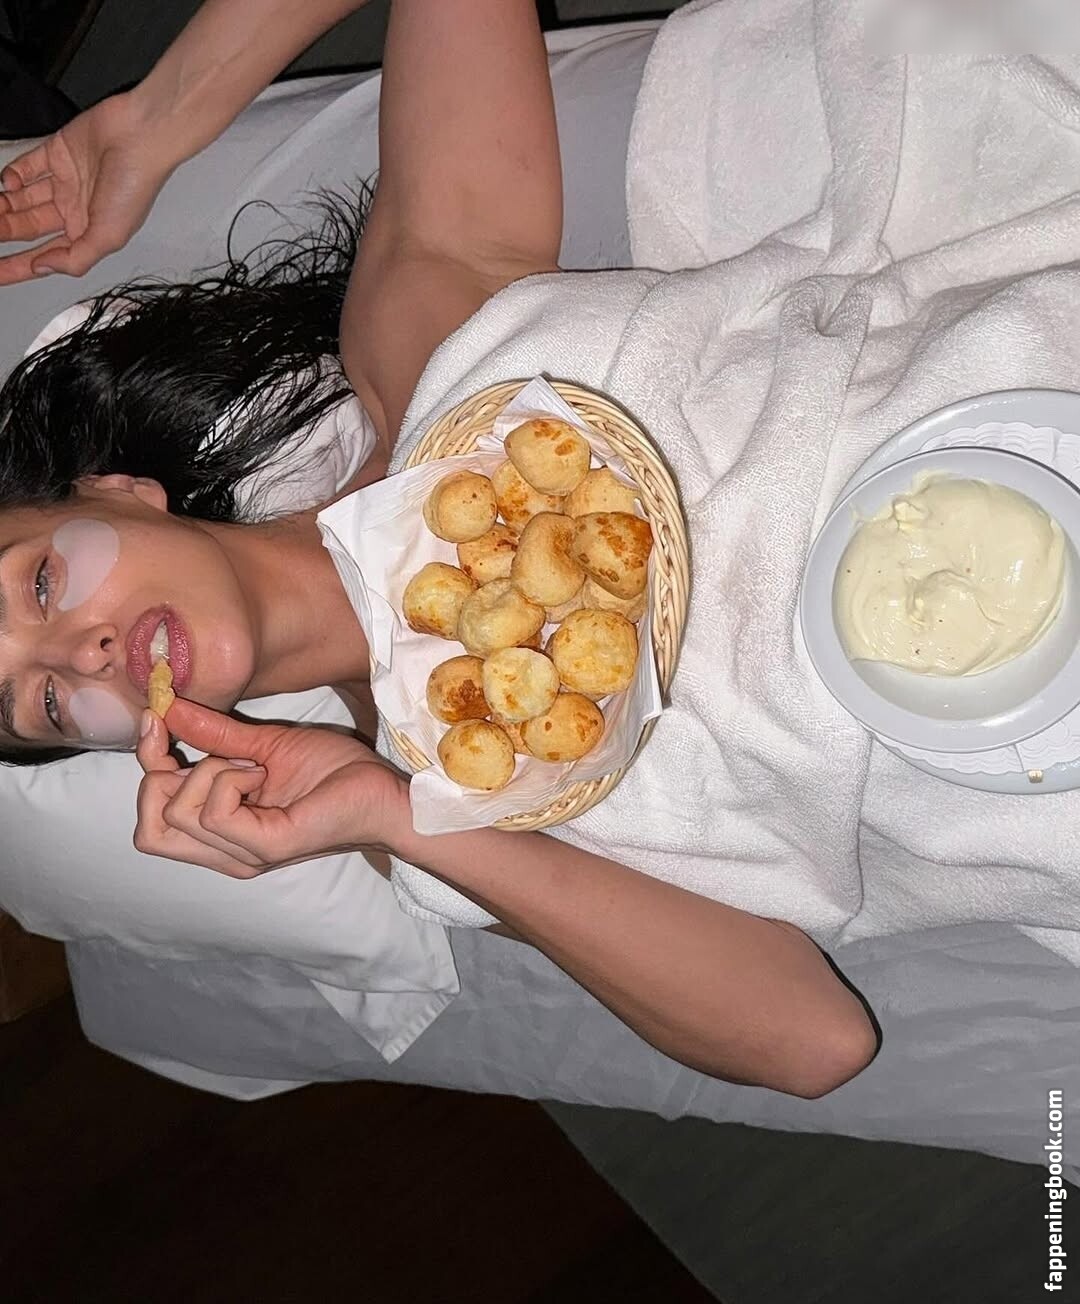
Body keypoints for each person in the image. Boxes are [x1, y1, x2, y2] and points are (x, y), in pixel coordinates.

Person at [0, 0, 879, 1096]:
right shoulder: (430, 795)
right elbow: (813, 1040)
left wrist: (162, 117)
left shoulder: (422, 338)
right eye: (43, 702)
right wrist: (391, 812)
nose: (81, 656)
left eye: (42, 584)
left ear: (122, 492)